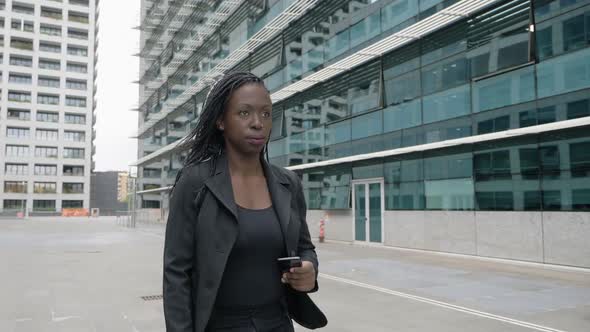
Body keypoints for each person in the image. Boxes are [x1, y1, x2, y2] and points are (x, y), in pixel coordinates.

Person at [163, 72, 327, 332]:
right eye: (244, 113)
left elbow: (305, 248)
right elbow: (176, 273)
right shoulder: (195, 182)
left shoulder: (289, 184)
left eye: (265, 113)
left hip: (277, 324)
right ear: (220, 121)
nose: (257, 123)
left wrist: (309, 270)